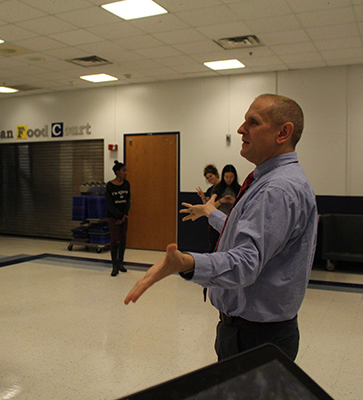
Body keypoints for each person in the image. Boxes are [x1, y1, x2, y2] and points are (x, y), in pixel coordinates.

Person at [125, 94, 317, 362]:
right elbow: (258, 237)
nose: (240, 129)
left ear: (283, 133)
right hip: (253, 332)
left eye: (253, 122)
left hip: (255, 338)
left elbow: (247, 262)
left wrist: (187, 263)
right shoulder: (273, 181)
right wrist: (211, 213)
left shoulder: (276, 189)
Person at [105, 160, 131, 277]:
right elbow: (109, 204)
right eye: (123, 170)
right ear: (117, 172)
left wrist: (124, 215)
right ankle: (114, 266)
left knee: (123, 240)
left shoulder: (127, 184)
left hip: (124, 217)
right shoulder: (110, 185)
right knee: (114, 240)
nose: (125, 173)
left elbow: (128, 201)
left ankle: (121, 263)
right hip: (113, 217)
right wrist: (118, 216)